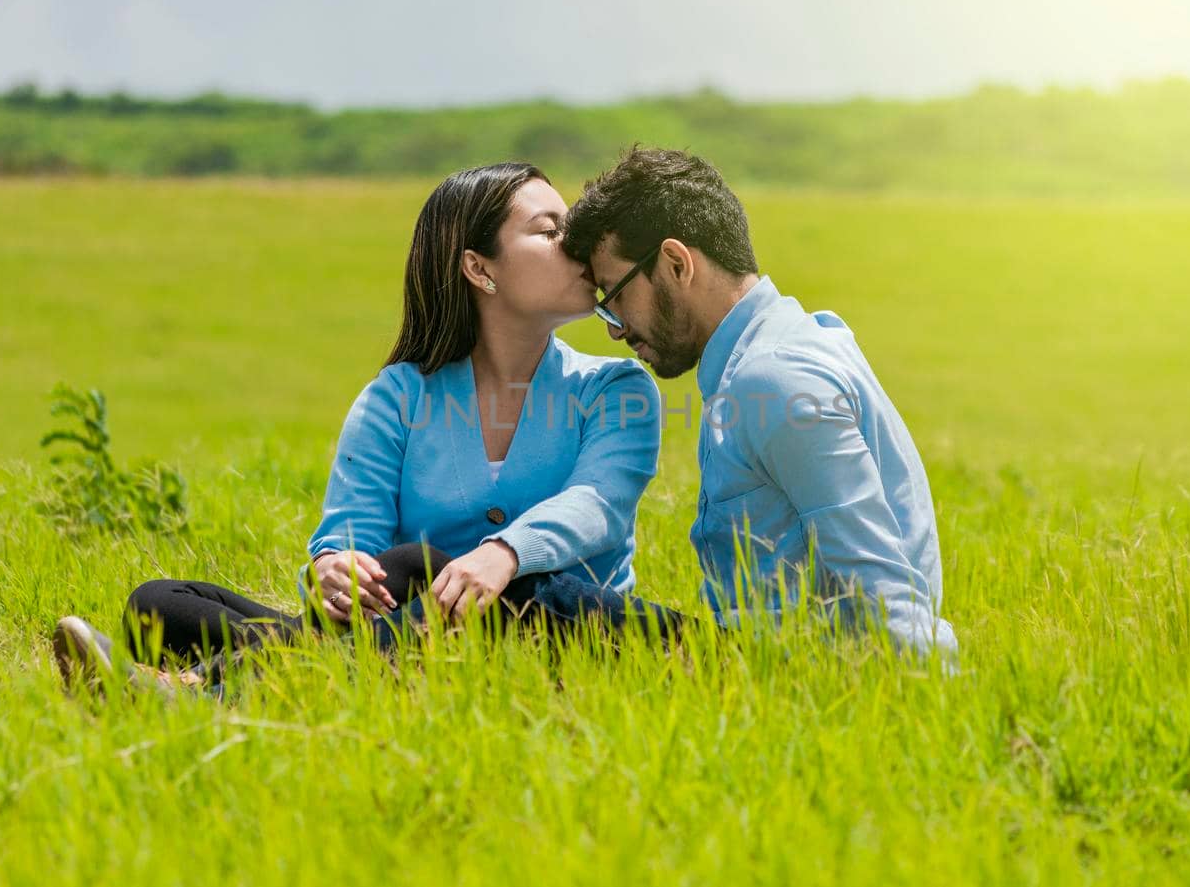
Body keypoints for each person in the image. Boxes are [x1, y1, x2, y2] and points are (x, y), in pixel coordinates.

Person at [53, 162, 680, 692]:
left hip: (553, 630)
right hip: (413, 628)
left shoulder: (616, 391)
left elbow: (595, 507)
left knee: (424, 564)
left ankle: (204, 694)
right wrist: (335, 567)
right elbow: (351, 531)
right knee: (158, 606)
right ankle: (297, 665)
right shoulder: (400, 396)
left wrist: (502, 553)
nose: (578, 243)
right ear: (478, 269)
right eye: (550, 231)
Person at [563, 147, 958, 659]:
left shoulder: (772, 378)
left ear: (676, 263)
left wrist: (929, 708)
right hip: (769, 667)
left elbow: (883, 588)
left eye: (614, 296)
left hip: (800, 679)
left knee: (538, 605)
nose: (615, 328)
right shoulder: (782, 346)